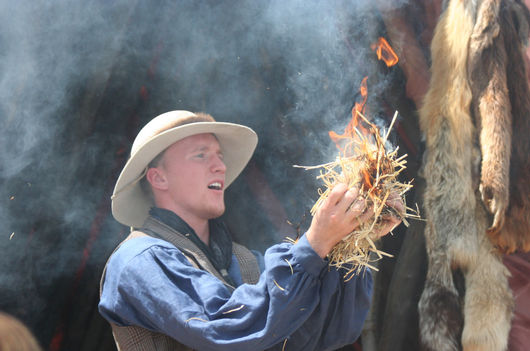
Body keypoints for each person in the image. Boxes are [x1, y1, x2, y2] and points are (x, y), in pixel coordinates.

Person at [98, 110, 402, 350]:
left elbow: (316, 334)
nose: (220, 166)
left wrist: (352, 241)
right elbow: (224, 327)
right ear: (158, 178)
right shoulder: (138, 259)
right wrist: (314, 244)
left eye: (219, 156)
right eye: (201, 155)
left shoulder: (243, 261)